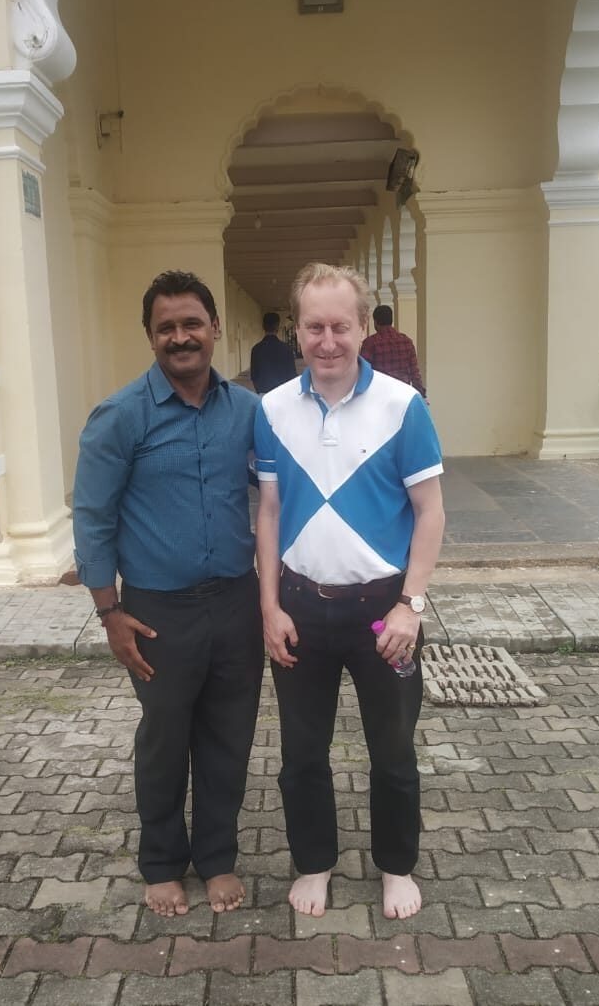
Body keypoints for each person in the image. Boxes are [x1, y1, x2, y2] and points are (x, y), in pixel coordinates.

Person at [254, 262, 445, 921]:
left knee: (392, 751)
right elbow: (269, 512)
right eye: (314, 327)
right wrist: (269, 606)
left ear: (364, 326)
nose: (328, 341)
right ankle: (315, 862)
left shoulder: (403, 405)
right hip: (301, 609)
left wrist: (411, 606)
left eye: (340, 326)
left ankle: (396, 866)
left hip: (383, 613)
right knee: (302, 754)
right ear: (297, 330)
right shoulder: (272, 409)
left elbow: (430, 511)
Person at [73, 270, 263, 918]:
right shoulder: (120, 416)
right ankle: (160, 863)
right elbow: (92, 517)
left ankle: (217, 857)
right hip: (157, 612)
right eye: (167, 328)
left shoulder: (248, 411)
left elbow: (282, 490)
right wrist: (109, 612)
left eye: (192, 324)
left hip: (236, 602)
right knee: (164, 738)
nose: (181, 337)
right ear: (150, 336)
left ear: (215, 329)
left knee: (229, 736)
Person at [360, 303, 427, 397]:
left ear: (375, 322)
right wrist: (421, 393)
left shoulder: (370, 343)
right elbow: (414, 372)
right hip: (403, 394)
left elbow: (363, 371)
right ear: (391, 320)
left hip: (380, 394)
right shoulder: (406, 341)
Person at [250, 311, 297, 393]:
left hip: (263, 394)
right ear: (277, 327)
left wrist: (260, 390)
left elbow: (254, 376)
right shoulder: (286, 349)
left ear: (263, 326)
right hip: (283, 393)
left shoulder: (256, 349)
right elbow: (292, 375)